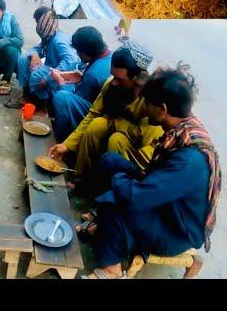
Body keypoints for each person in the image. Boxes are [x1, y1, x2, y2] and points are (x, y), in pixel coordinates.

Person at [81, 64, 220, 279]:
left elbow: (136, 197)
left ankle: (112, 269)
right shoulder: (182, 124)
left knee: (112, 200)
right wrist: (121, 178)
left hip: (175, 230)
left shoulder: (189, 160)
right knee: (110, 162)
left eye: (147, 103)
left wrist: (119, 181)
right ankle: (107, 227)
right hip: (166, 202)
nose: (143, 108)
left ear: (163, 109)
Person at [48, 41, 164, 188]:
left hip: (137, 151)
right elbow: (92, 115)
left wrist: (117, 123)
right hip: (115, 130)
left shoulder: (150, 101)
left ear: (137, 80)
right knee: (96, 124)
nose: (114, 82)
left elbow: (147, 144)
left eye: (120, 79)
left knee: (117, 140)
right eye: (113, 76)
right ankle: (80, 177)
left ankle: (107, 190)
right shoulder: (111, 85)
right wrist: (66, 145)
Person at [7, 9, 79, 109]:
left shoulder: (58, 39)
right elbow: (37, 49)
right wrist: (34, 55)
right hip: (52, 70)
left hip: (64, 78)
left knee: (37, 74)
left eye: (38, 22)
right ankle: (27, 95)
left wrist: (48, 78)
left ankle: (42, 107)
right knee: (24, 59)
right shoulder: (49, 37)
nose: (37, 25)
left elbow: (71, 59)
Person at [51, 27, 112, 142]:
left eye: (79, 52)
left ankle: (62, 138)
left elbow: (78, 100)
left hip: (98, 114)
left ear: (87, 53)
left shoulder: (93, 75)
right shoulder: (109, 54)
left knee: (61, 98)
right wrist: (82, 76)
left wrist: (60, 82)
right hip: (103, 106)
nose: (78, 55)